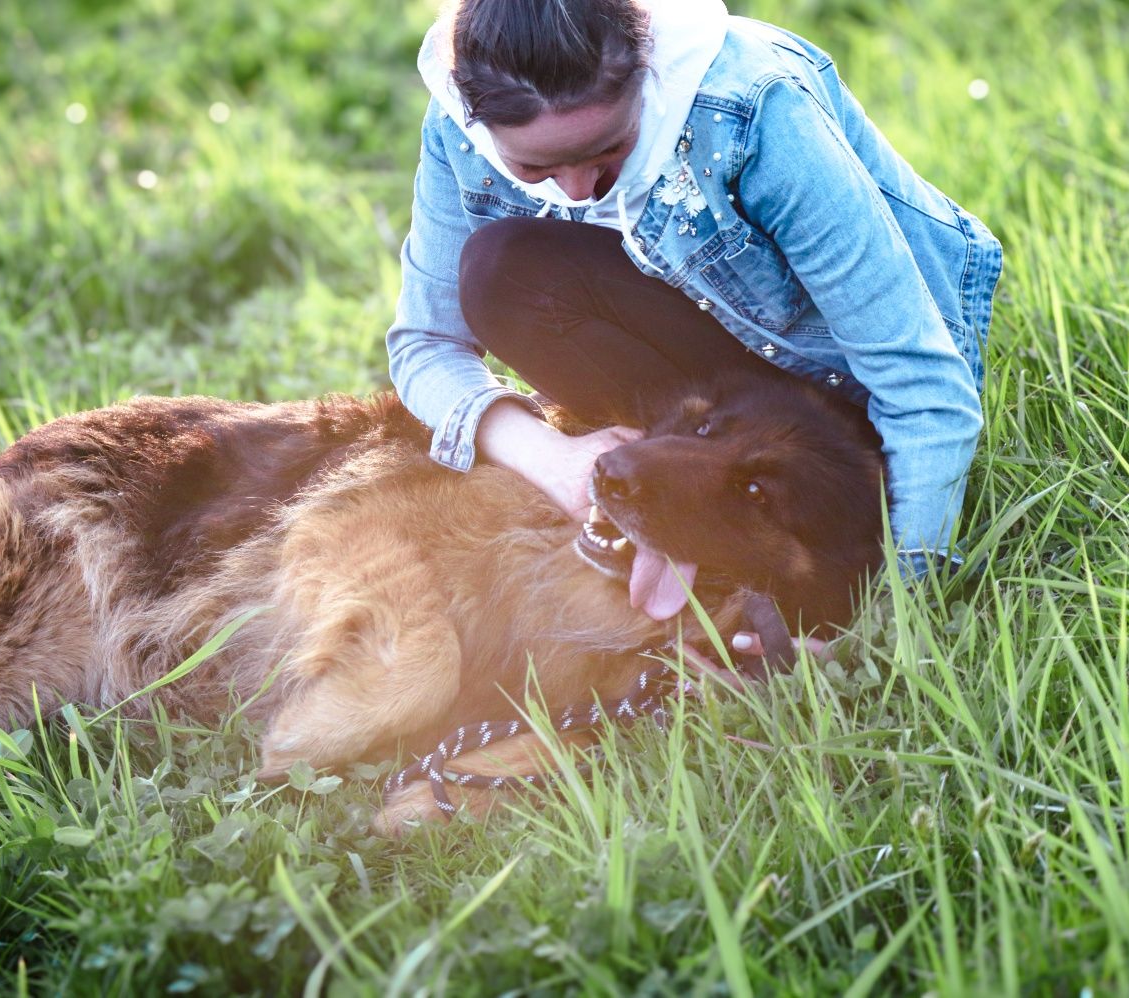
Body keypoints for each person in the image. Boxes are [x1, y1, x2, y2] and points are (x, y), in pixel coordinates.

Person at [386, 0, 1001, 649]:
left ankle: (716, 513)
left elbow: (918, 380)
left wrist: (891, 615)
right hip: (713, 385)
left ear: (646, 70)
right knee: (501, 270)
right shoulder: (458, 129)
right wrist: (549, 457)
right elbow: (424, 346)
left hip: (845, 368)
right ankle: (667, 497)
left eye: (607, 149)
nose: (573, 189)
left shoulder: (753, 106)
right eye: (534, 170)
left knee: (838, 490)